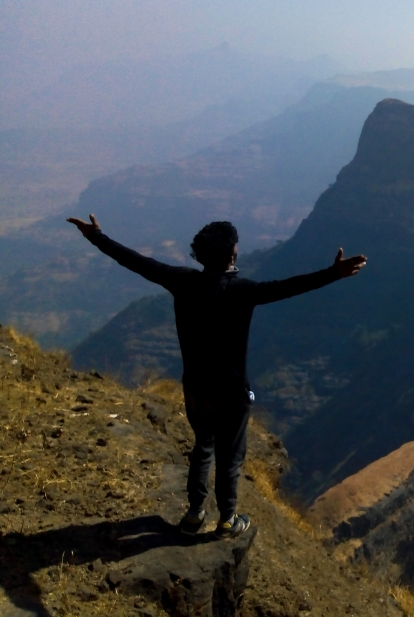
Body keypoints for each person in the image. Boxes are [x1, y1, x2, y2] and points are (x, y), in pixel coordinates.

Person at [67, 214, 366, 538]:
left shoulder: (183, 281)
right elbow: (289, 287)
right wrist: (334, 273)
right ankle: (227, 519)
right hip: (232, 394)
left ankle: (194, 514)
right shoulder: (244, 291)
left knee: (202, 447)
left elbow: (137, 262)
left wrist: (97, 237)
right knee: (230, 457)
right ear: (232, 255)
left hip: (195, 389)